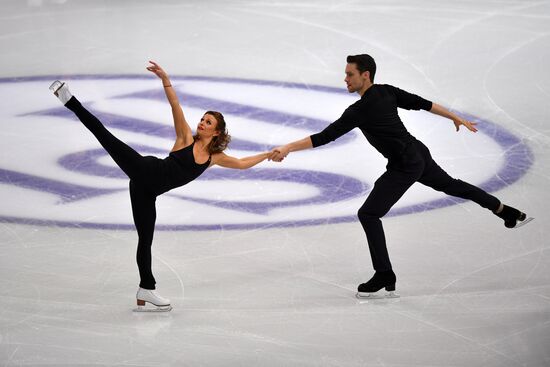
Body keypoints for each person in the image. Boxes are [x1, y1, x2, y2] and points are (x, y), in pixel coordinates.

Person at [271, 54, 533, 299]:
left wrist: (287, 148)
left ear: (366, 75)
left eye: (350, 74)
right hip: (417, 153)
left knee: (369, 214)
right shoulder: (387, 91)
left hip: (405, 164)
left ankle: (384, 273)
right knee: (453, 186)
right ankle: (505, 211)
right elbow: (424, 104)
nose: (345, 79)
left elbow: (323, 137)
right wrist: (454, 116)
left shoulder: (359, 110)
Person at [50, 61, 273, 311]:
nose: (201, 123)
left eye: (208, 122)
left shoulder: (214, 158)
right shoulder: (185, 137)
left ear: (218, 132)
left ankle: (146, 288)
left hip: (146, 191)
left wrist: (267, 155)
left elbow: (242, 163)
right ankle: (68, 99)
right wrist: (165, 79)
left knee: (145, 241)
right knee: (104, 135)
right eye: (202, 119)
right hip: (144, 169)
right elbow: (175, 104)